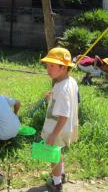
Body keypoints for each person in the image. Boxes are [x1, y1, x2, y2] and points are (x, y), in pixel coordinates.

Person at [40, 47, 79, 192]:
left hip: (56, 128)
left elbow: (63, 114)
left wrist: (53, 134)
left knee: (53, 155)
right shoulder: (70, 81)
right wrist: (52, 96)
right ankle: (61, 175)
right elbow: (69, 100)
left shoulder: (61, 88)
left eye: (52, 66)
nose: (47, 69)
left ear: (63, 67)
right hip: (66, 127)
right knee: (58, 152)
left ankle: (56, 183)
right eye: (47, 65)